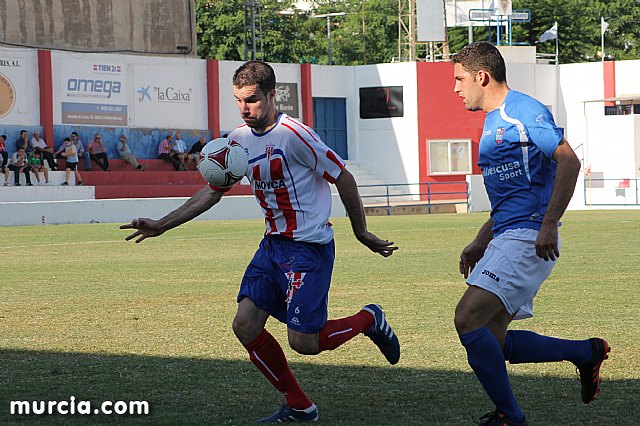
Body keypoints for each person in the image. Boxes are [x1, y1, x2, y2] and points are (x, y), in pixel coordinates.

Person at [122, 60, 400, 423]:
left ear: (272, 95)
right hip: (271, 248)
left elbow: (343, 177)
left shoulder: (295, 135)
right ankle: (300, 406)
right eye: (238, 100)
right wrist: (162, 224)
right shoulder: (236, 141)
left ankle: (369, 318)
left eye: (251, 100)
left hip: (308, 249)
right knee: (245, 325)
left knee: (305, 344)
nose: (244, 108)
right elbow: (212, 193)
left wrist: (361, 232)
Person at [451, 42, 610, 426]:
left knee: (467, 318)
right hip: (507, 234)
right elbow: (513, 195)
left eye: (459, 79)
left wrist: (549, 223)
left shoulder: (523, 111)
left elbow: (569, 161)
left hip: (527, 236)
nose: (456, 89)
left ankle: (510, 416)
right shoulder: (492, 123)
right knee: (494, 338)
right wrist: (481, 238)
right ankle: (585, 353)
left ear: (481, 77)